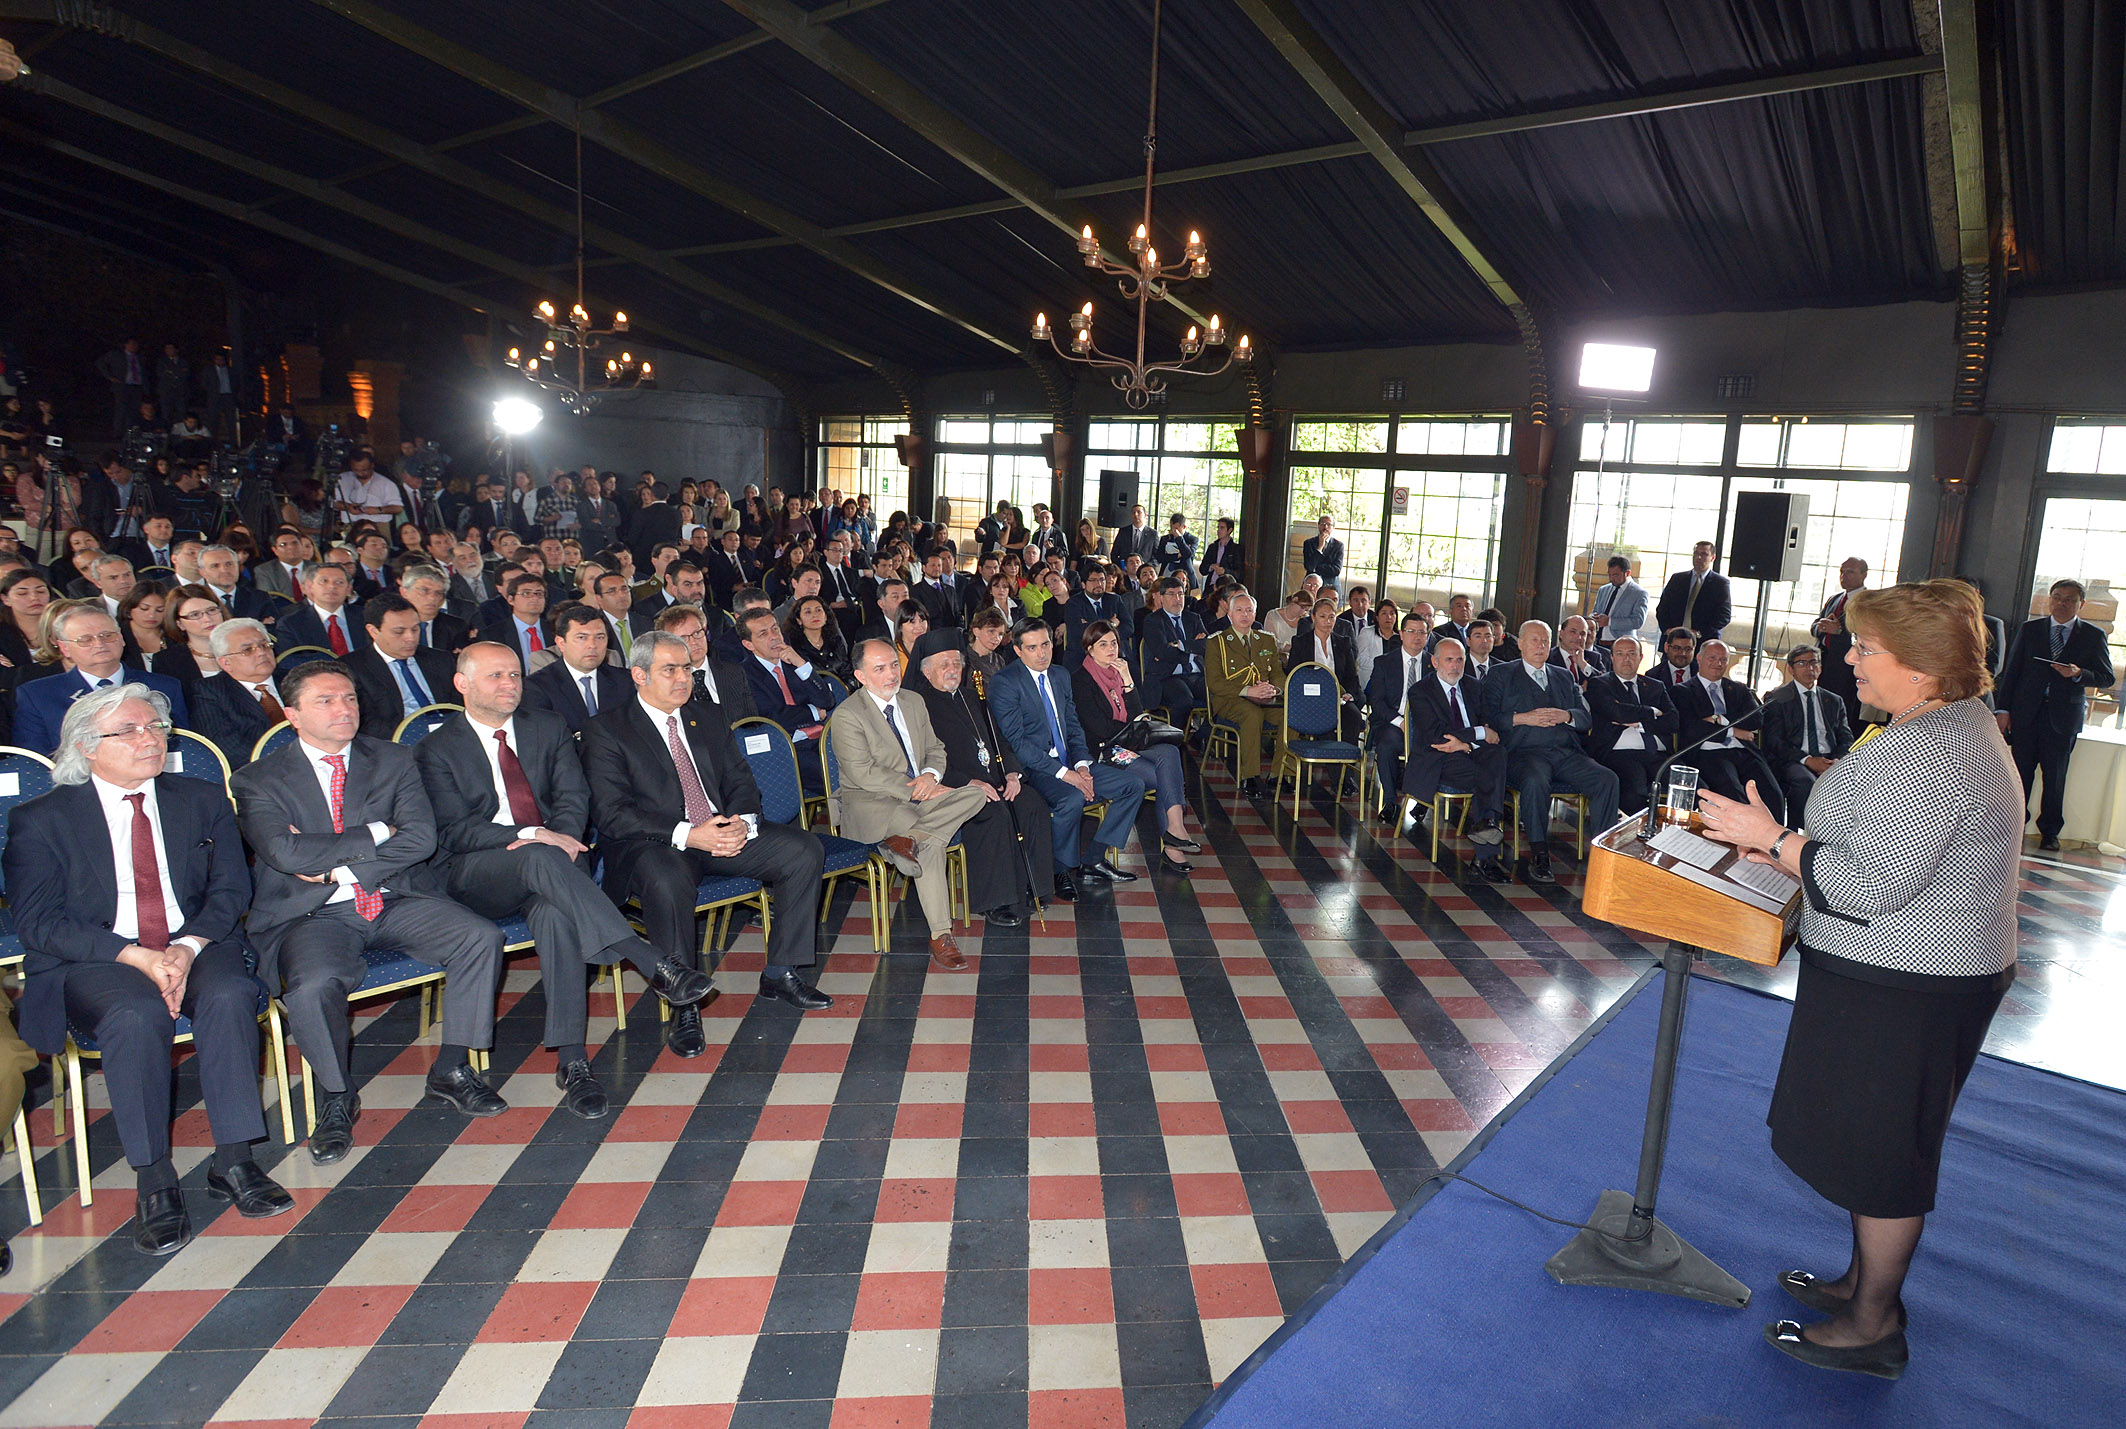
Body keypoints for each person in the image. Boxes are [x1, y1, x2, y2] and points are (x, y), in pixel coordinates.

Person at [1695, 580, 2018, 1382]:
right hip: (1900, 973)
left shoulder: (1936, 749)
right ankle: (1861, 1283)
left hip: (1909, 982)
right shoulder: (1927, 722)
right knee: (1870, 1139)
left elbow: (1872, 885)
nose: (1849, 657)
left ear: (1921, 667)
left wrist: (1774, 841)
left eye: (1866, 647)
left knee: (1885, 1155)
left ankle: (1875, 1322)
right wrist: (1790, 839)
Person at [4, 686, 292, 1256]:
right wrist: (133, 954)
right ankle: (154, 1178)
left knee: (231, 992)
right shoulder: (41, 818)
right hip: (96, 955)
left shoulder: (201, 798)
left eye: (156, 727)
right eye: (130, 730)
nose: (150, 738)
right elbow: (38, 924)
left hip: (195, 941)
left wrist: (185, 948)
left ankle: (234, 1161)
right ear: (86, 747)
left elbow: (231, 888)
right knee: (134, 1016)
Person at [232, 660, 507, 1164]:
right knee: (313, 986)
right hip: (311, 917)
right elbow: (285, 856)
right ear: (291, 714)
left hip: (394, 897)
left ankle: (451, 1067)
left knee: (479, 937)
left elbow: (421, 839)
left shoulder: (394, 759)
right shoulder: (258, 779)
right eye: (326, 701)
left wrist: (338, 866)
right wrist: (379, 831)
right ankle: (337, 1095)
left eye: (350, 698)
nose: (344, 710)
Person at [416, 643, 715, 1095]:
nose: (510, 685)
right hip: (475, 872)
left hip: (553, 866)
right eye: (496, 676)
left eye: (515, 675)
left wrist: (564, 839)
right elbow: (455, 831)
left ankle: (573, 1060)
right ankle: (649, 958)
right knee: (539, 854)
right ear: (462, 684)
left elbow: (574, 798)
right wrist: (541, 838)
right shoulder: (435, 748)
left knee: (556, 914)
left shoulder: (547, 727)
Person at [582, 630, 830, 1013]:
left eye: (686, 668)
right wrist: (689, 834)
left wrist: (742, 823)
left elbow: (740, 779)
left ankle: (781, 972)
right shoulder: (607, 730)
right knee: (667, 881)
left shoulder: (707, 715)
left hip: (717, 832)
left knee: (803, 849)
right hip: (655, 843)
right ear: (639, 675)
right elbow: (613, 813)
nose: (683, 678)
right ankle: (683, 1003)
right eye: (670, 670)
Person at [827, 638, 991, 968]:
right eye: (879, 669)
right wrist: (917, 790)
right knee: (932, 847)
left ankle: (908, 841)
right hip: (872, 804)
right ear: (860, 676)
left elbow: (936, 748)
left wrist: (931, 776)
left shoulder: (913, 701)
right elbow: (863, 774)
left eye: (893, 665)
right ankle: (940, 934)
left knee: (977, 794)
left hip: (921, 798)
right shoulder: (847, 715)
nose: (891, 674)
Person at [988, 618, 1151, 898]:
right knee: (1071, 799)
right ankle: (1059, 870)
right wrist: (1067, 775)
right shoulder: (1005, 683)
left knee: (1132, 786)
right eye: (1032, 648)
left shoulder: (1061, 675)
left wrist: (1082, 766)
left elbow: (1073, 726)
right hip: (1034, 768)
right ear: (1017, 650)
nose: (1042, 653)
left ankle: (1093, 859)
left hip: (1071, 762)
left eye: (1046, 645)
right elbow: (1018, 744)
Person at [905, 631, 1045, 926]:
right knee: (992, 814)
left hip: (995, 779)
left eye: (956, 663)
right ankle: (995, 900)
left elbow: (1000, 741)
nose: (953, 670)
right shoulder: (919, 705)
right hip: (955, 787)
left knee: (1031, 804)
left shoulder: (974, 697)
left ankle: (1032, 887)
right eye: (944, 664)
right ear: (926, 670)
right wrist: (970, 784)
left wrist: (1011, 773)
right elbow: (922, 761)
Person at [1481, 621, 1620, 883]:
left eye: (1545, 641)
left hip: (1565, 753)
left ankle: (1604, 855)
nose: (1540, 646)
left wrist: (1566, 715)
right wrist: (1523, 718)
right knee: (1536, 778)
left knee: (1607, 779)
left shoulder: (1563, 675)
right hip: (1523, 753)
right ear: (1520, 643)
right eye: (1534, 640)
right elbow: (1488, 718)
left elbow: (1585, 719)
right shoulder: (1501, 674)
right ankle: (1539, 853)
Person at [1996, 579, 2115, 851]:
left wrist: (2078, 674)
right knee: (2019, 774)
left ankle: (2050, 832)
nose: (2062, 603)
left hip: (2063, 719)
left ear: (2081, 604)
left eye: (2069, 599)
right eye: (2057, 597)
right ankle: (2014, 825)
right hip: (2026, 715)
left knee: (2055, 777)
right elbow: (2011, 672)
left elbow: (2107, 677)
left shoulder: (2093, 635)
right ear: (2049, 600)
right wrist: (2003, 710)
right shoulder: (2031, 630)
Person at [1074, 619, 1198, 873]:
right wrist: (1131, 733)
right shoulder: (1082, 679)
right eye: (1103, 644)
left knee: (1170, 751)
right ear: (1089, 648)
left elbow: (1138, 716)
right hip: (1104, 750)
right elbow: (1099, 728)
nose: (1111, 649)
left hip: (1128, 742)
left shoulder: (1119, 673)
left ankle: (1175, 831)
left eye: (1114, 643)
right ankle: (1173, 843)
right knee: (1163, 776)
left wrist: (1128, 680)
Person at [13, 605, 190, 756]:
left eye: (107, 635)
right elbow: (35, 761)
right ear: (65, 648)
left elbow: (182, 748)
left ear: (121, 639)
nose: (99, 644)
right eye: (85, 639)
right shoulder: (37, 695)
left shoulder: (164, 686)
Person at [1399, 636, 1508, 878]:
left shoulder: (1473, 686)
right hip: (1437, 759)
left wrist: (1466, 744)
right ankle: (1485, 853)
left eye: (1460, 660)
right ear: (1435, 662)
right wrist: (1476, 733)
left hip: (1471, 753)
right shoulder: (1420, 691)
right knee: (1489, 776)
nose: (1455, 666)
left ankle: (1486, 831)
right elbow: (1437, 737)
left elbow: (1489, 723)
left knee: (1497, 755)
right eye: (1449, 660)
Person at [1670, 637, 1780, 818]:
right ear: (1699, 658)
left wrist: (1719, 719)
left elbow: (1755, 720)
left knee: (1772, 794)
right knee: (1734, 795)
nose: (1717, 664)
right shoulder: (1682, 691)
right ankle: (1740, 842)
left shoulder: (1739, 689)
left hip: (1744, 751)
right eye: (1712, 658)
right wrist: (1732, 731)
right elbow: (1692, 729)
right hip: (1709, 753)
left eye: (1723, 660)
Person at [736, 607, 843, 793]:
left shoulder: (794, 661)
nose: (774, 636)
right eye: (763, 633)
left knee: (866, 764)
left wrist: (801, 664)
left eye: (775, 629)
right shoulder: (743, 675)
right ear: (749, 644)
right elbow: (771, 718)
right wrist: (813, 712)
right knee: (841, 779)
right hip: (788, 749)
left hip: (823, 739)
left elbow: (827, 700)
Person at [1584, 636, 1678, 816]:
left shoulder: (1655, 686)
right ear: (1611, 658)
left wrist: (1639, 723)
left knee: (1695, 787)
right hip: (1619, 753)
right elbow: (1616, 712)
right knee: (1635, 793)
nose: (1626, 659)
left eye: (1631, 654)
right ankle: (1643, 838)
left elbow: (1673, 721)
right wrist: (1652, 711)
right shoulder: (1600, 684)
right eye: (1620, 654)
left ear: (1640, 658)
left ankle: (1679, 839)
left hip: (1658, 755)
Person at [1763, 644, 1855, 826]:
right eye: (1802, 663)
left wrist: (1836, 761)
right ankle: (1799, 835)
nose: (1810, 668)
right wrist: (1808, 760)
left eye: (1814, 663)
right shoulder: (1777, 698)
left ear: (1820, 668)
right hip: (1794, 759)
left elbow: (1846, 739)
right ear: (1791, 669)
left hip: (1830, 760)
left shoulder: (1834, 701)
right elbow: (1774, 741)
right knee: (1806, 782)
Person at [347, 594, 457, 739]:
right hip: (399, 740)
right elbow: (366, 723)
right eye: (399, 632)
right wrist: (417, 732)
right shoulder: (353, 668)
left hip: (449, 734)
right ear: (373, 631)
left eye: (415, 629)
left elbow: (460, 705)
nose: (410, 638)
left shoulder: (440, 659)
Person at [1206, 593, 1284, 797]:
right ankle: (1250, 776)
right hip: (1231, 700)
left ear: (1255, 614)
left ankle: (1281, 773)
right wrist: (1248, 690)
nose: (1244, 615)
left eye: (1249, 610)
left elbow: (1277, 673)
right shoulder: (1217, 643)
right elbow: (1214, 683)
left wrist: (1275, 689)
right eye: (1239, 610)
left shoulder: (1266, 640)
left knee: (1289, 715)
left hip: (1265, 700)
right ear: (1230, 614)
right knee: (1252, 715)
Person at [523, 603, 634, 734]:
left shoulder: (625, 681)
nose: (592, 645)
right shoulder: (538, 687)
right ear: (561, 643)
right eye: (582, 637)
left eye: (600, 637)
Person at [190, 619, 286, 768]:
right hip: (260, 773)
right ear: (225, 663)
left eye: (264, 645)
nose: (261, 653)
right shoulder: (209, 691)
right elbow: (228, 748)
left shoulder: (296, 679)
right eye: (248, 650)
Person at [1365, 611, 1431, 800]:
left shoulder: (1434, 663)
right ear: (1401, 634)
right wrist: (1401, 722)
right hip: (1393, 721)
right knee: (1387, 746)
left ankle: (1422, 801)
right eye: (1411, 631)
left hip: (1425, 724)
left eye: (1422, 632)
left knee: (1439, 746)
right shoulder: (1384, 662)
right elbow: (1376, 702)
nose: (1417, 637)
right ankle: (1390, 801)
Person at [1286, 597, 1363, 738]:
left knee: (1354, 716)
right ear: (1313, 617)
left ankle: (1346, 758)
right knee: (1324, 726)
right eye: (1323, 616)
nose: (1328, 621)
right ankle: (1324, 758)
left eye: (1331, 617)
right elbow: (1293, 675)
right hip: (1310, 697)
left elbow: (1351, 676)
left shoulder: (1343, 642)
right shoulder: (1301, 642)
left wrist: (1349, 694)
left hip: (1338, 697)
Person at [1139, 576, 1208, 724]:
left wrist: (1181, 645)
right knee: (1184, 701)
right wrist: (1191, 651)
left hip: (1196, 674)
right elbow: (1163, 652)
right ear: (1161, 598)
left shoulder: (1194, 618)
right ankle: (1177, 743)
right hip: (1167, 676)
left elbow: (1207, 646)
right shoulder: (1153, 621)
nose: (1177, 598)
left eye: (1180, 594)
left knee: (1221, 696)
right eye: (1171, 594)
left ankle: (1199, 738)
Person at [1814, 557, 1868, 727]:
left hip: (1850, 669)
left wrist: (1838, 631)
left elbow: (1868, 635)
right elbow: (1815, 626)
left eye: (1850, 572)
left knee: (1844, 714)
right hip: (1826, 664)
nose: (1844, 576)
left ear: (1863, 575)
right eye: (1842, 572)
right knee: (1823, 709)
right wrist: (1821, 627)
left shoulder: (1869, 601)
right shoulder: (1834, 599)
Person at [274, 561, 369, 657]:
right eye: (324, 581)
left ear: (348, 589)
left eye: (339, 582)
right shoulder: (291, 624)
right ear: (310, 587)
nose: (332, 586)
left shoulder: (366, 616)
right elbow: (290, 662)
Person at [1655, 540, 1732, 643]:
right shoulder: (1677, 579)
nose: (1699, 557)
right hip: (1673, 639)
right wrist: (1667, 629)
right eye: (1696, 553)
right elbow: (1662, 608)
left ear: (1712, 558)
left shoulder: (1720, 583)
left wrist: (1699, 633)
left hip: (1704, 641)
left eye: (1704, 554)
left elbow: (1724, 616)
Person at [784, 593, 851, 684]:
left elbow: (847, 671)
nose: (815, 615)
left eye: (818, 610)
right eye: (808, 612)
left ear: (826, 616)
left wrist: (845, 688)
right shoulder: (793, 646)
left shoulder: (835, 640)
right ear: (799, 620)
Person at [1589, 554, 1650, 650]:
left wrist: (1609, 621)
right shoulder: (1603, 589)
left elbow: (1638, 621)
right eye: (1609, 574)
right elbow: (1595, 610)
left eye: (1616, 575)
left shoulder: (1639, 593)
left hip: (1622, 646)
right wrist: (1593, 618)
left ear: (1628, 573)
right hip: (1597, 643)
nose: (1612, 578)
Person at [1548, 615, 1611, 686]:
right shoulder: (1548, 657)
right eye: (1573, 632)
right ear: (1561, 634)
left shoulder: (1594, 658)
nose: (1578, 637)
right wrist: (1580, 690)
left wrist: (1584, 665)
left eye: (1582, 634)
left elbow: (1606, 685)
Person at [119, 585, 168, 670]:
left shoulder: (175, 635)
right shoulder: (119, 637)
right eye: (144, 609)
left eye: (160, 610)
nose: (152, 615)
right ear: (129, 608)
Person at [1301, 514, 1344, 594]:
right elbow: (1309, 566)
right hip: (1311, 587)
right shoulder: (1309, 543)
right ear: (1318, 525)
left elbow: (1336, 570)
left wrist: (1315, 568)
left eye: (1329, 524)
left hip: (1331, 585)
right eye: (1323, 523)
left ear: (1333, 527)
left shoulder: (1338, 545)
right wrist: (1320, 547)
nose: (1325, 527)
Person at [1152, 512, 1196, 589]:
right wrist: (1177, 556)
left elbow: (1188, 554)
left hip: (1185, 572)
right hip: (1167, 571)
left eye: (1176, 528)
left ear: (1184, 527)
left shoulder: (1192, 539)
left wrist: (1179, 538)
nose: (1173, 531)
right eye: (1172, 527)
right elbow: (1160, 557)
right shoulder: (1165, 539)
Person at [1200, 516, 1244, 589]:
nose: (1218, 530)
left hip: (1226, 587)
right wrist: (1211, 567)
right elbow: (1202, 570)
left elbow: (1239, 574)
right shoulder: (1212, 547)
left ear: (1230, 530)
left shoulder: (1236, 549)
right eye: (1218, 527)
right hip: (1211, 586)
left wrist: (1225, 571)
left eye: (1222, 528)